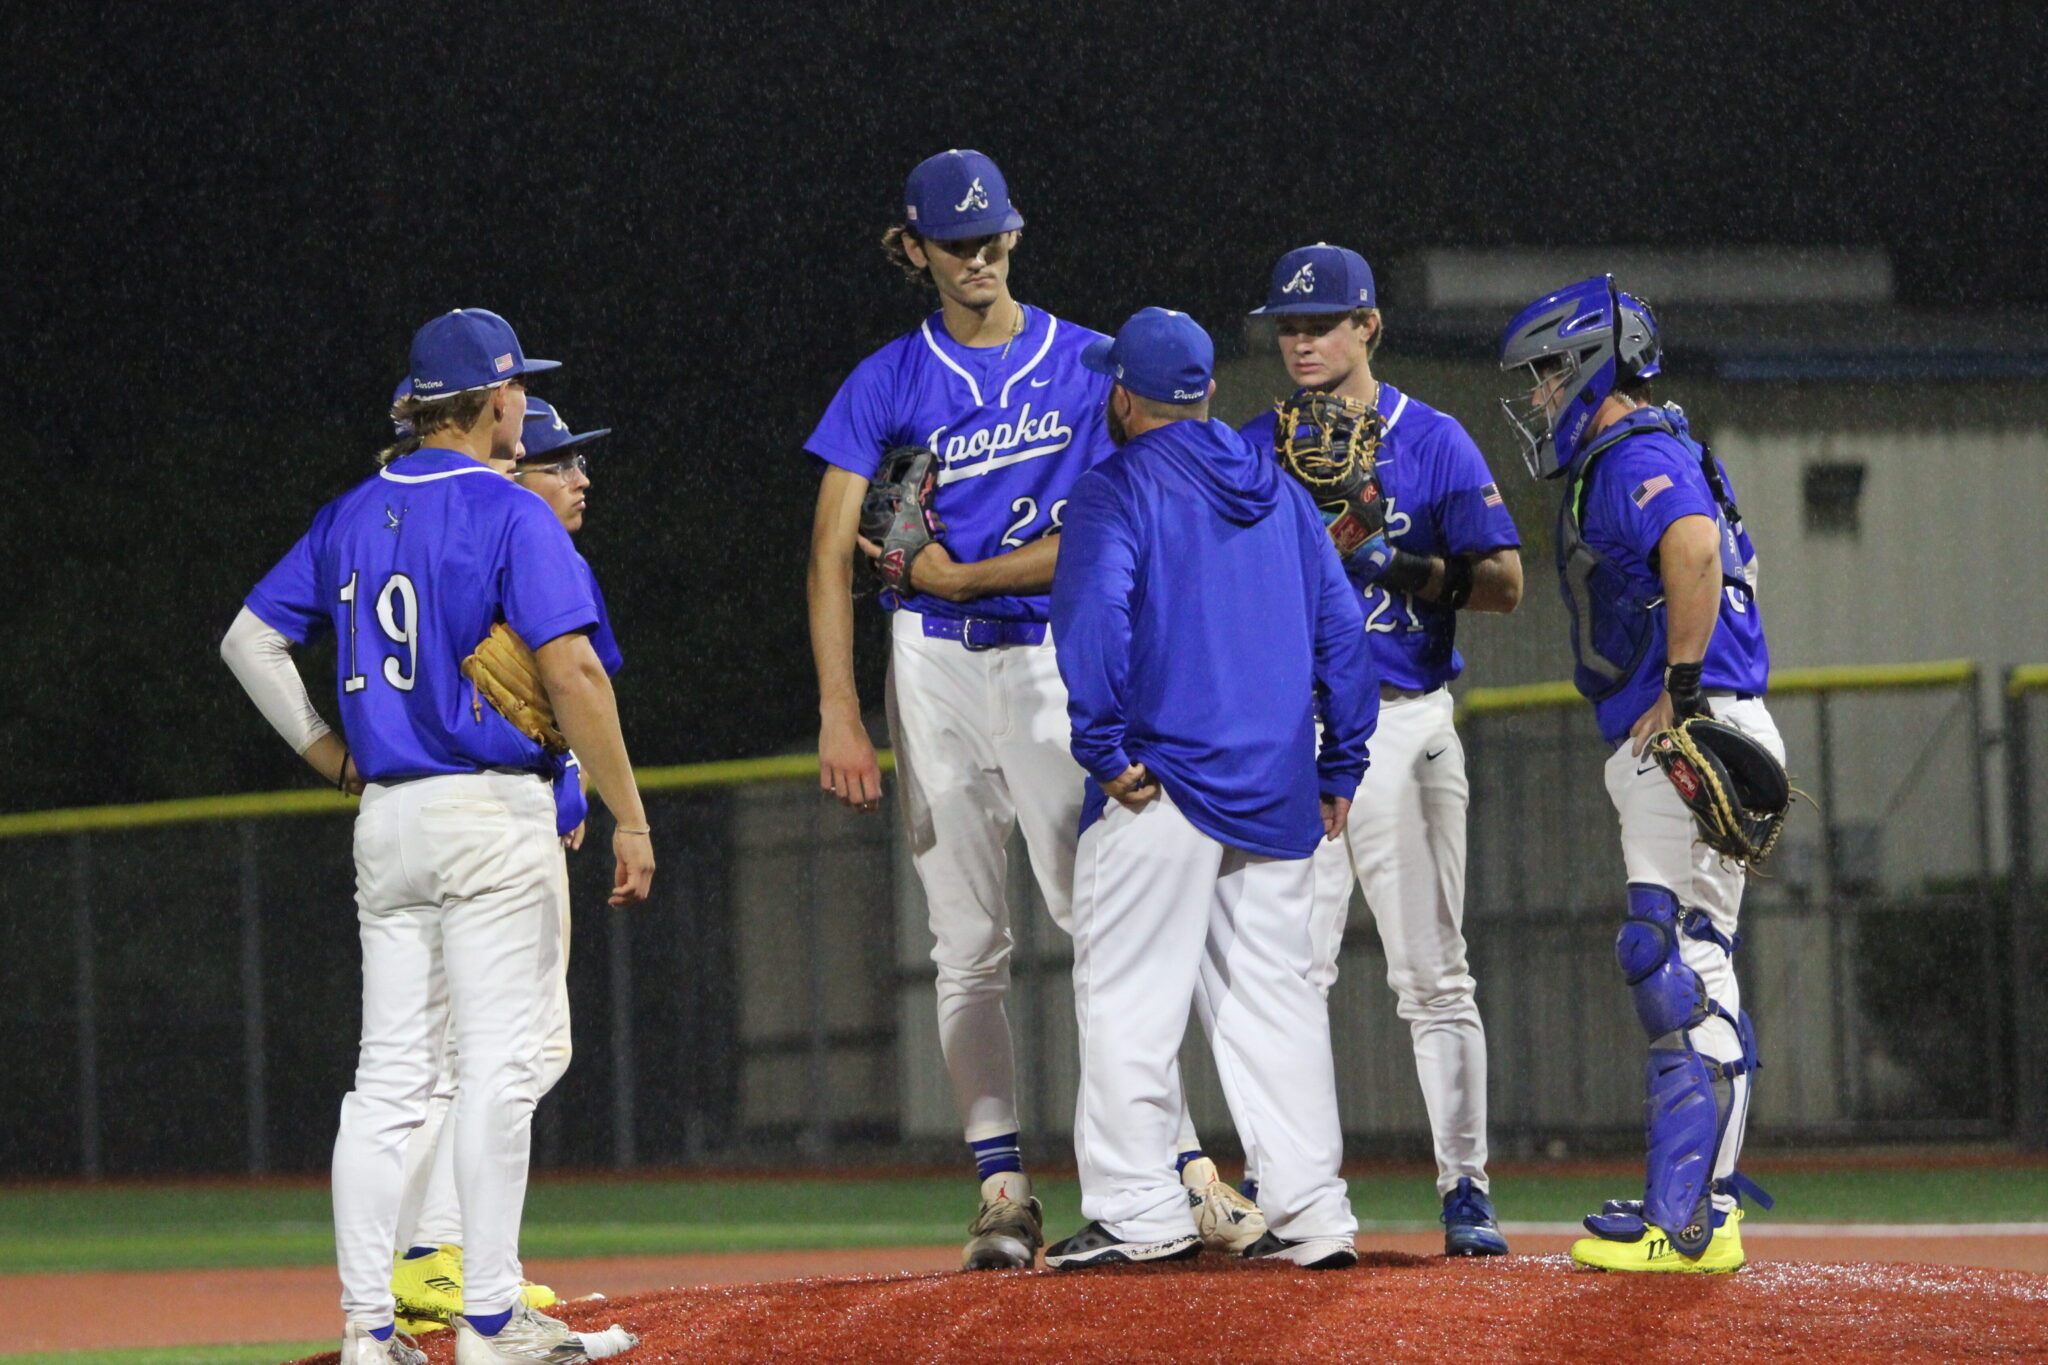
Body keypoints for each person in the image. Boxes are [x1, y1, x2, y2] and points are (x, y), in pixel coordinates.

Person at [804, 150, 1246, 1267]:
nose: (980, 257)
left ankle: (1182, 1166)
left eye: (994, 236)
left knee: (1102, 922)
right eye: (957, 242)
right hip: (933, 665)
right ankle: (1001, 1188)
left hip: (1051, 659)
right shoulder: (886, 380)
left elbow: (1127, 522)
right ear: (913, 248)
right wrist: (838, 711)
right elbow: (827, 552)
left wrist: (963, 575)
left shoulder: (1088, 361)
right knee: (967, 946)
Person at [221, 308, 647, 1364]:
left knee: (389, 1082)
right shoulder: (512, 514)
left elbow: (249, 638)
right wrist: (628, 808)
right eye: (517, 391)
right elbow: (574, 671)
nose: (521, 407)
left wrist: (332, 757)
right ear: (495, 400)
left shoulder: (352, 513)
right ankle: (491, 1319)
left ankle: (370, 1330)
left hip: (390, 820)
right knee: (504, 1065)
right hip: (488, 813)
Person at [1044, 307, 1375, 1270]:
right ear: (1204, 394)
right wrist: (1341, 763)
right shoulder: (1277, 493)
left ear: (1123, 394)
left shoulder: (1116, 488)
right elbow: (1343, 637)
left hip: (1163, 784)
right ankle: (1314, 1212)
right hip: (1277, 790)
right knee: (1274, 1004)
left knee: (1127, 998)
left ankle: (1138, 1210)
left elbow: (1095, 621)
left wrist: (1101, 745)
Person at [1239, 243, 1522, 1256]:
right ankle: (1289, 1184)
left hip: (1402, 720)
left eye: (1320, 322)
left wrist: (1394, 565)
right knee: (1286, 971)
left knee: (1432, 972)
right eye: (1287, 324)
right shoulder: (1250, 447)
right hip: (1291, 732)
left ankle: (1464, 1189)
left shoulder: (1432, 439)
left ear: (1368, 326)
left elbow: (1503, 583)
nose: (1300, 339)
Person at [1498, 275, 1778, 1273]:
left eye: (1542, 376)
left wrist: (1684, 688)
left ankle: (1697, 1221)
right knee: (1665, 957)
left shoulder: (1634, 456)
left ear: (1582, 370)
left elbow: (1693, 550)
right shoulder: (1635, 453)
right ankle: (1684, 1193)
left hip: (1692, 727)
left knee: (1676, 958)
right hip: (1678, 729)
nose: (1535, 396)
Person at [388, 397, 619, 1332]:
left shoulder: (455, 547)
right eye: (557, 462)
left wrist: (566, 773)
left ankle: (432, 1257)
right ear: (510, 470)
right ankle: (436, 1255)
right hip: (484, 831)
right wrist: (585, 789)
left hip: (430, 828)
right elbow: (550, 689)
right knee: (492, 1055)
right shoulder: (507, 548)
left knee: (458, 1059)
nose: (579, 478)